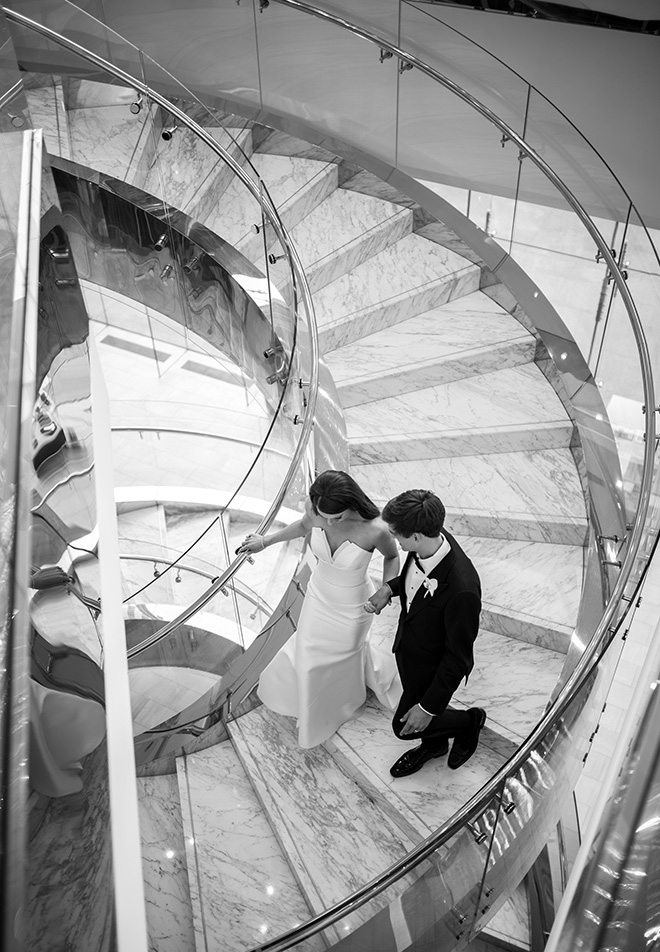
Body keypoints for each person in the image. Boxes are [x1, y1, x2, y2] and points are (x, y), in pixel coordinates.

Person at [237, 470, 400, 748]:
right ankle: (313, 707)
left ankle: (343, 703)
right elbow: (301, 527)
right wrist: (265, 541)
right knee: (308, 654)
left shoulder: (376, 528)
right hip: (319, 596)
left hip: (354, 606)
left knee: (344, 655)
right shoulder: (316, 512)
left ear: (351, 503)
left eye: (334, 518)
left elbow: (393, 557)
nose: (326, 522)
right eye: (322, 516)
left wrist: (386, 589)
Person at [366, 489, 485, 777]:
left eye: (397, 535)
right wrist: (389, 589)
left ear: (416, 536)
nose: (394, 539)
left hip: (434, 665)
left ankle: (470, 721)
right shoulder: (430, 539)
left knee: (402, 728)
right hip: (410, 650)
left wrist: (429, 708)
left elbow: (458, 658)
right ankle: (435, 746)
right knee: (416, 718)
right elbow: (412, 580)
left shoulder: (462, 590)